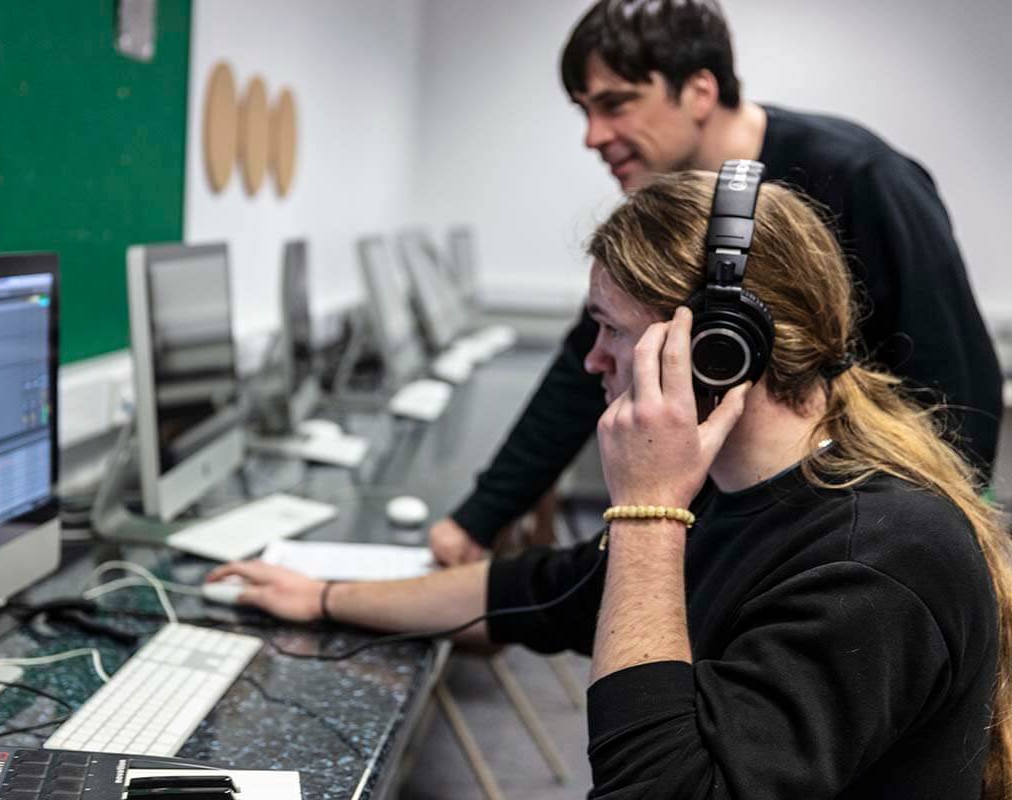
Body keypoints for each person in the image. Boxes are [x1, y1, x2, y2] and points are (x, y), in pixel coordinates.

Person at [210, 172, 1012, 797]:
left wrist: (648, 511)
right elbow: (548, 589)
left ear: (714, 352)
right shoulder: (737, 489)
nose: (591, 360)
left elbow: (663, 792)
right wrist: (322, 598)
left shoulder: (878, 560)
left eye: (609, 328)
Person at [429, 0, 1002, 567]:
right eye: (584, 111)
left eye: (616, 104)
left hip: (859, 537)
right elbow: (584, 366)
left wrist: (937, 555)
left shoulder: (862, 176)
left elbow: (957, 378)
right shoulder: (678, 207)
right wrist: (479, 519)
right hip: (741, 520)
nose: (593, 136)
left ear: (699, 91)